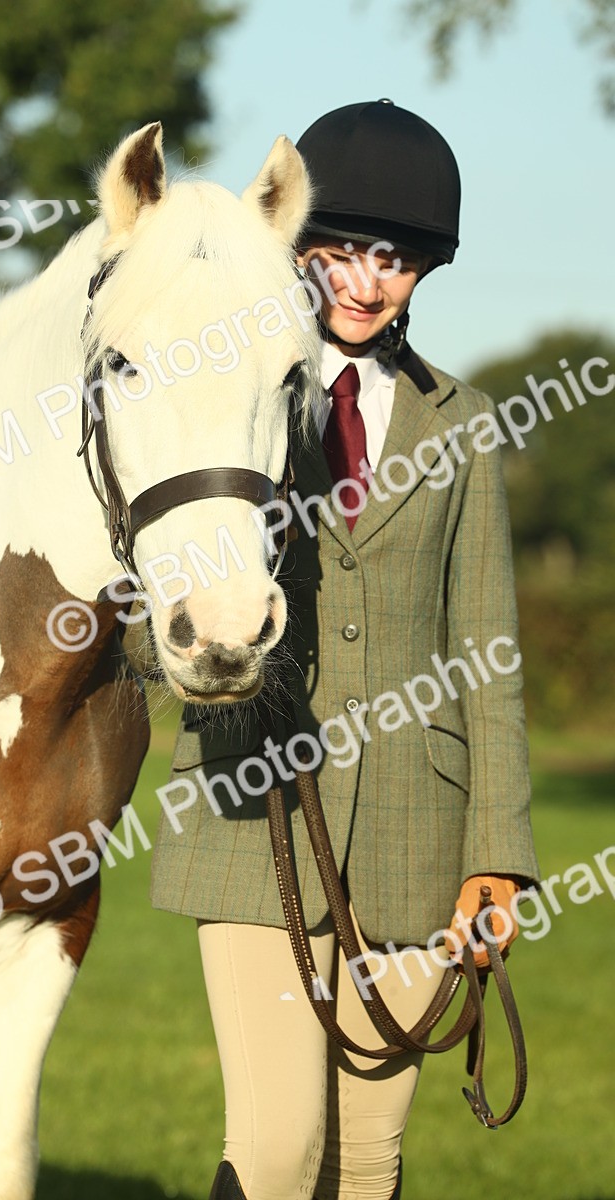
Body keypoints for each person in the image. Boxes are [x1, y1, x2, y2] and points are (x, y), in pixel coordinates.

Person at [150, 99, 540, 1200]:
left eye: (397, 260)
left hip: (421, 832)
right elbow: (157, 596)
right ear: (297, 247)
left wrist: (497, 853)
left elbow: (489, 652)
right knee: (278, 1153)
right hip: (257, 812)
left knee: (367, 1162)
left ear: (425, 269)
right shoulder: (224, 394)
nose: (367, 283)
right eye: (342, 252)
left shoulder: (461, 424)